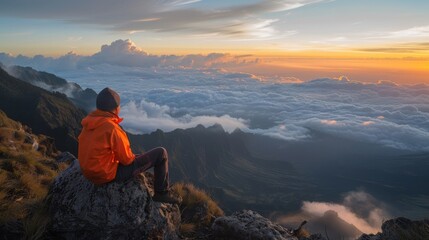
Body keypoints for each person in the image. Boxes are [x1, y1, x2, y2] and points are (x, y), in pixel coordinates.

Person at [78, 87, 181, 204]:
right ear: (116, 109)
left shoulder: (88, 123)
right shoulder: (111, 128)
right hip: (104, 175)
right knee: (161, 153)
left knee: (137, 157)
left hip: (89, 173)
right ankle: (161, 193)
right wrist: (135, 158)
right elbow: (126, 160)